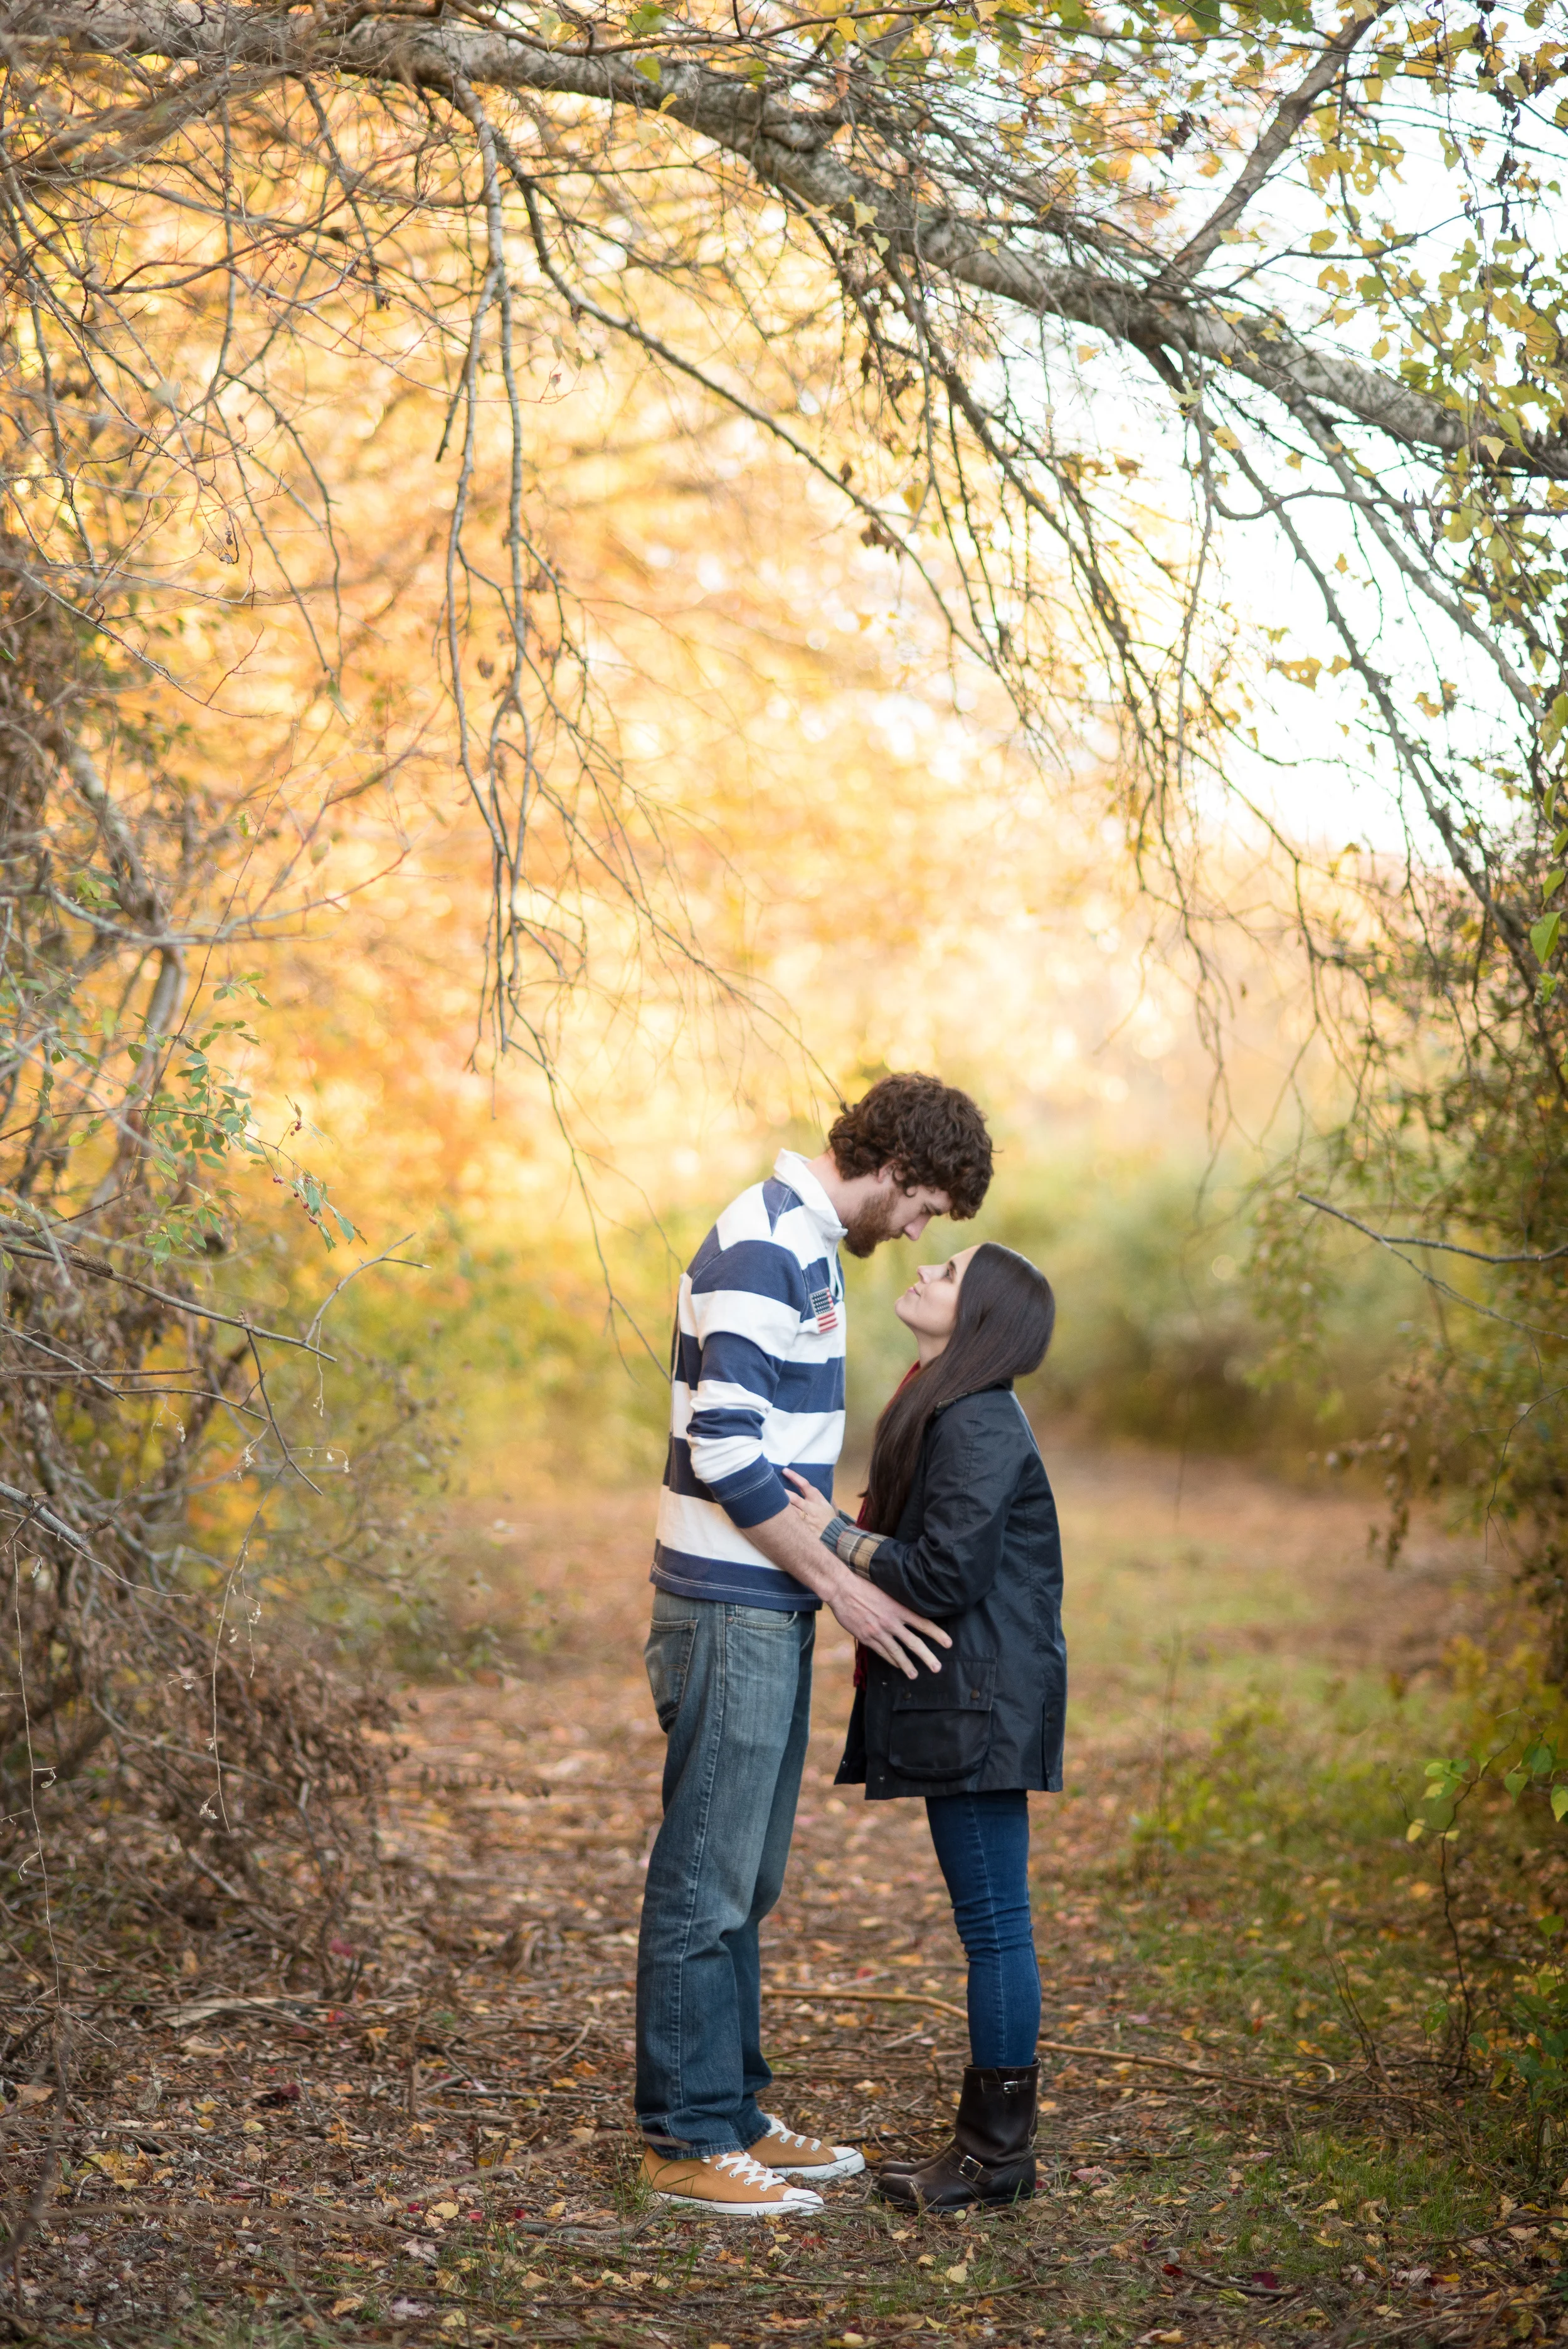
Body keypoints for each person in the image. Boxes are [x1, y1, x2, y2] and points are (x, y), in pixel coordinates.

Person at [635, 1074, 994, 2217]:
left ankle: (731, 2111)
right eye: (929, 1207)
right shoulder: (762, 1242)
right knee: (705, 1876)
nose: (921, 1231)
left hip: (766, 1603)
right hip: (732, 1604)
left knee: (749, 1875)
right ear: (895, 1170)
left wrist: (820, 1585)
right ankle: (683, 2141)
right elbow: (725, 1453)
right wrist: (846, 1586)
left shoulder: (808, 1248)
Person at [785, 1239, 1064, 2212]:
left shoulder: (980, 1418)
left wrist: (834, 1533)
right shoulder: (950, 1401)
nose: (927, 1269)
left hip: (982, 1701)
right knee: (992, 1925)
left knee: (995, 1927)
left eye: (948, 1273)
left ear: (979, 1315)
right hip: (975, 1694)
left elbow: (946, 1575)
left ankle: (995, 2158)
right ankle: (995, 2153)